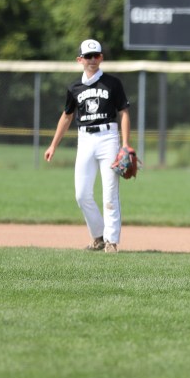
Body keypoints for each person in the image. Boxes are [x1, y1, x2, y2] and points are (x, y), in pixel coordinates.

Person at [44, 39, 131, 252]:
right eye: (88, 56)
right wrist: (53, 145)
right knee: (81, 194)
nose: (92, 59)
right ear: (80, 60)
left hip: (108, 137)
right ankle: (98, 236)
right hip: (85, 139)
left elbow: (123, 113)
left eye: (96, 55)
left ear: (101, 58)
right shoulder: (74, 87)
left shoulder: (113, 83)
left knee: (110, 192)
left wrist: (126, 145)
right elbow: (67, 116)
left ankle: (111, 241)